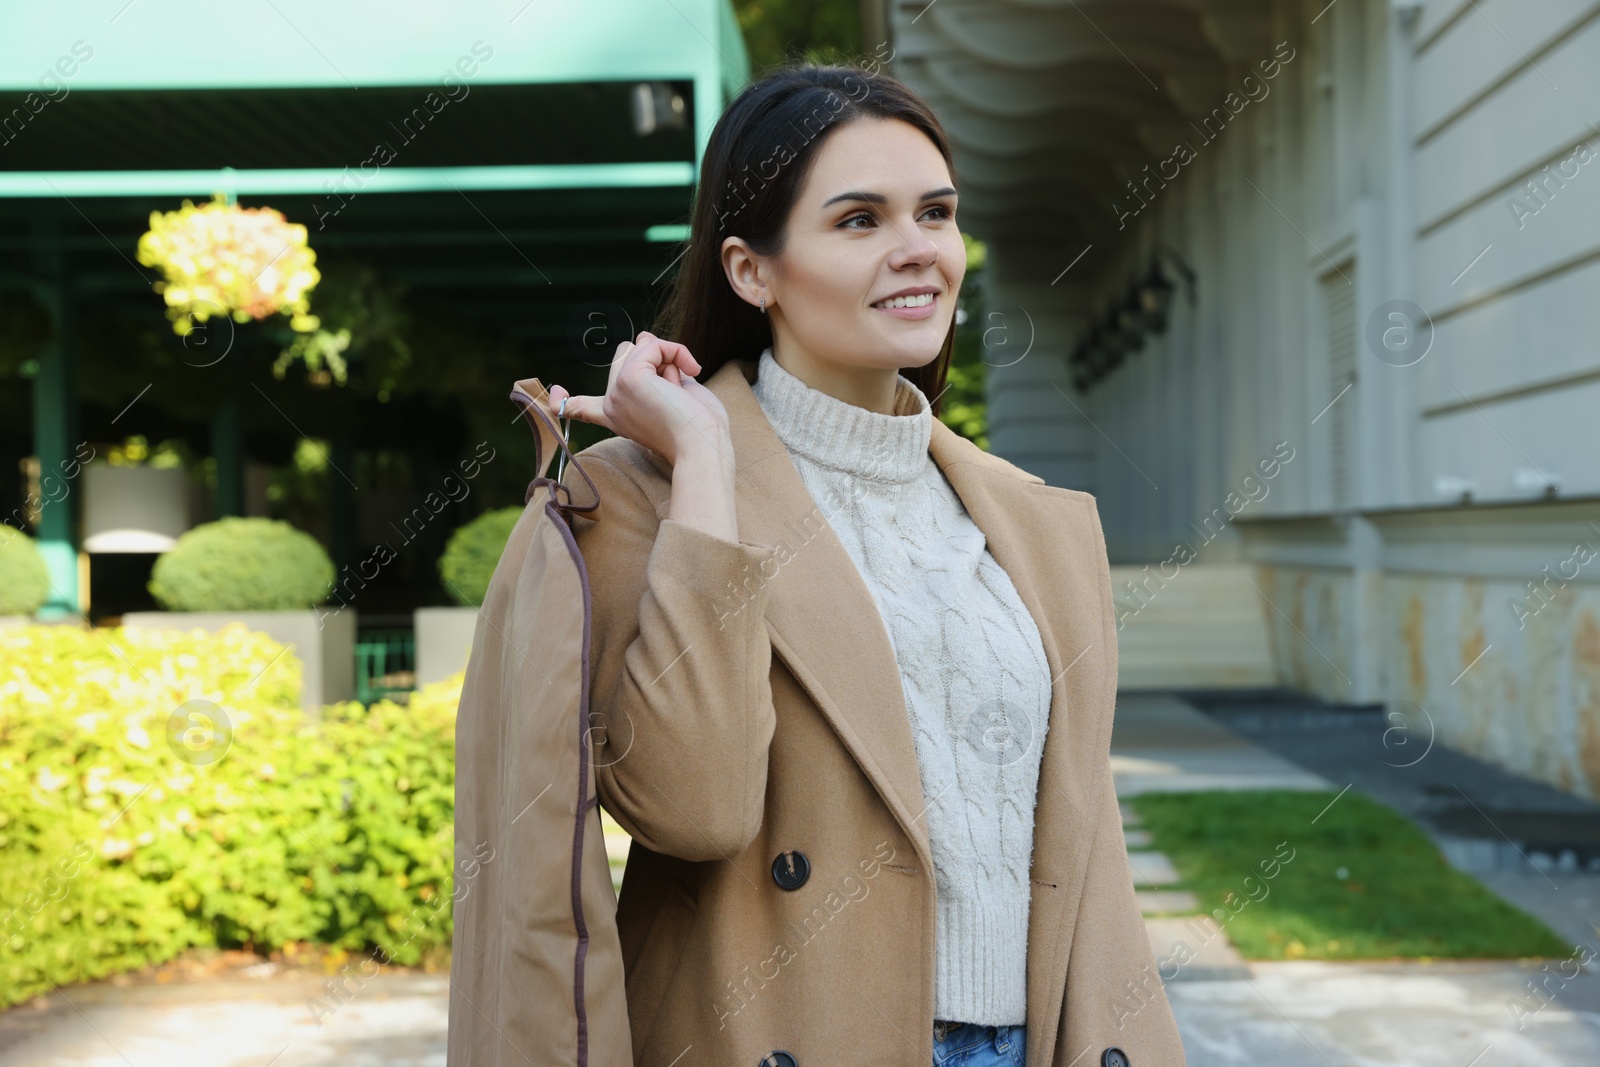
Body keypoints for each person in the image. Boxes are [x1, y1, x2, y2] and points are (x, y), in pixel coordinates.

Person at [546, 62, 1186, 1067]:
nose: (917, 251)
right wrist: (707, 458)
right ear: (750, 270)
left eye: (934, 212)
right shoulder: (641, 493)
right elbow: (693, 805)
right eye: (858, 220)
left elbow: (1082, 843)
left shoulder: (1033, 522)